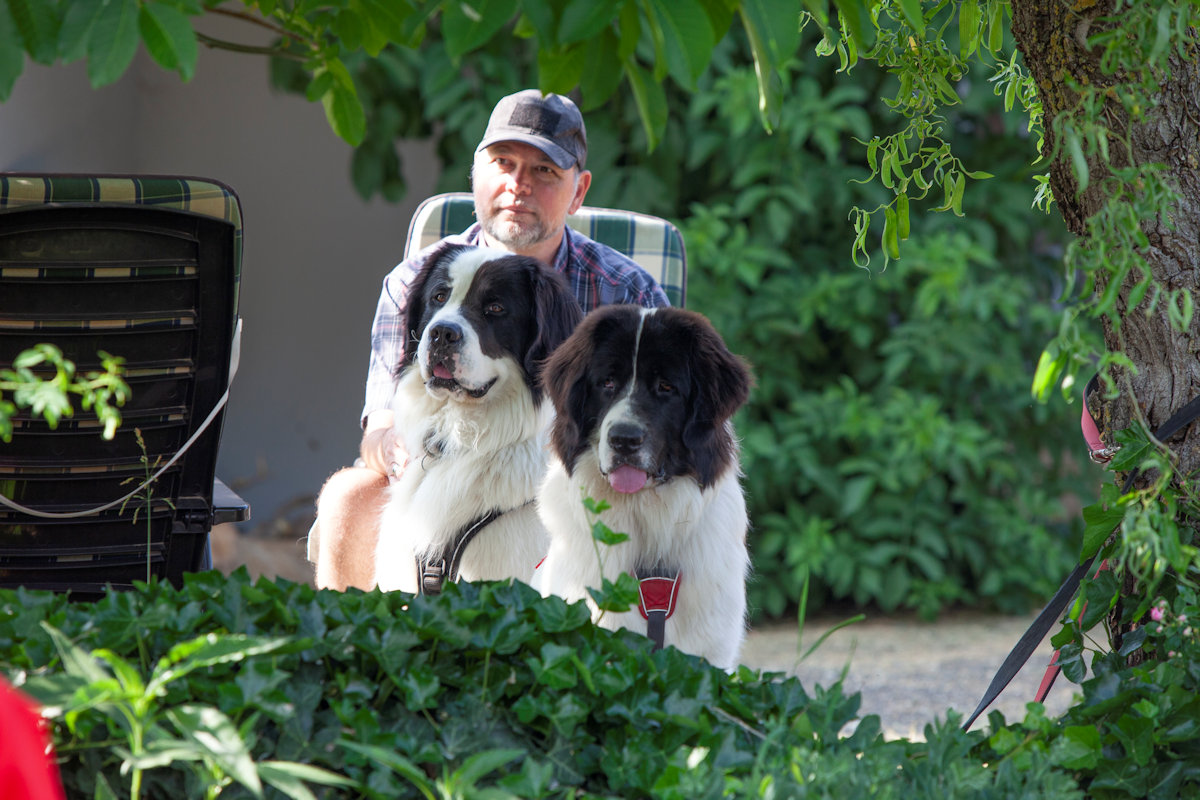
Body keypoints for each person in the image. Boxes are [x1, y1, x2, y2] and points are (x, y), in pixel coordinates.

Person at [310, 90, 671, 591]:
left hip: (574, 489)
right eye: (503, 163)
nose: (519, 185)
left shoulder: (629, 294)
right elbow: (380, 429)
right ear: (476, 173)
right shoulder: (414, 280)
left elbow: (661, 428)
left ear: (578, 190)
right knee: (347, 497)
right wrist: (395, 448)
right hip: (435, 478)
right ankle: (355, 636)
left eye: (544, 170)